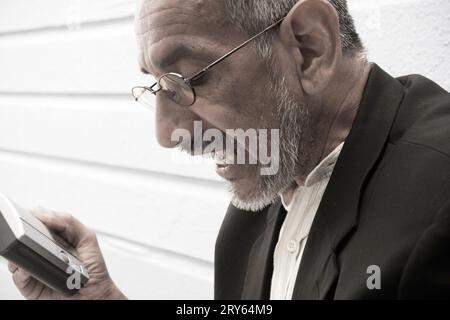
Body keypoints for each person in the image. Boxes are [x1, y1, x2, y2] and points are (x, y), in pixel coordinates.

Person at [8, 0, 450, 300]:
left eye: (189, 80)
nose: (166, 134)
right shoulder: (268, 175)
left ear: (309, 48)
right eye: (158, 86)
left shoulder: (438, 208)